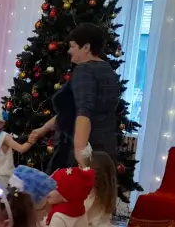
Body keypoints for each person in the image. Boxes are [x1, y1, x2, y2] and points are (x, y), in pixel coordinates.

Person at [27, 23, 121, 171]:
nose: (69, 51)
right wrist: (43, 129)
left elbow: (84, 114)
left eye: (72, 46)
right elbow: (71, 110)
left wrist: (80, 157)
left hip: (81, 151)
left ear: (86, 47)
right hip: (105, 148)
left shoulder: (84, 70)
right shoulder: (107, 70)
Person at [0, 104, 32, 187]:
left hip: (3, 176)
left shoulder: (4, 137)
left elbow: (21, 149)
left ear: (2, 124)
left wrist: (30, 142)